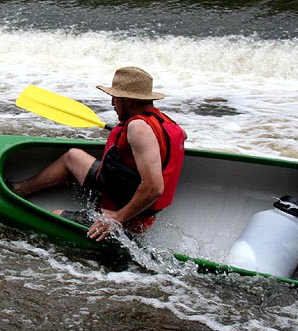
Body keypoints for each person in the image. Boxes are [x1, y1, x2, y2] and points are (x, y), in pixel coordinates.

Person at [11, 66, 187, 242]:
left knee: (47, 219)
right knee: (73, 156)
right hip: (117, 189)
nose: (112, 104)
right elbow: (179, 137)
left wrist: (117, 218)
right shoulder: (171, 125)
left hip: (125, 218)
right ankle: (18, 189)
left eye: (115, 98)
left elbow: (154, 188)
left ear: (128, 101)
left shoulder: (138, 128)